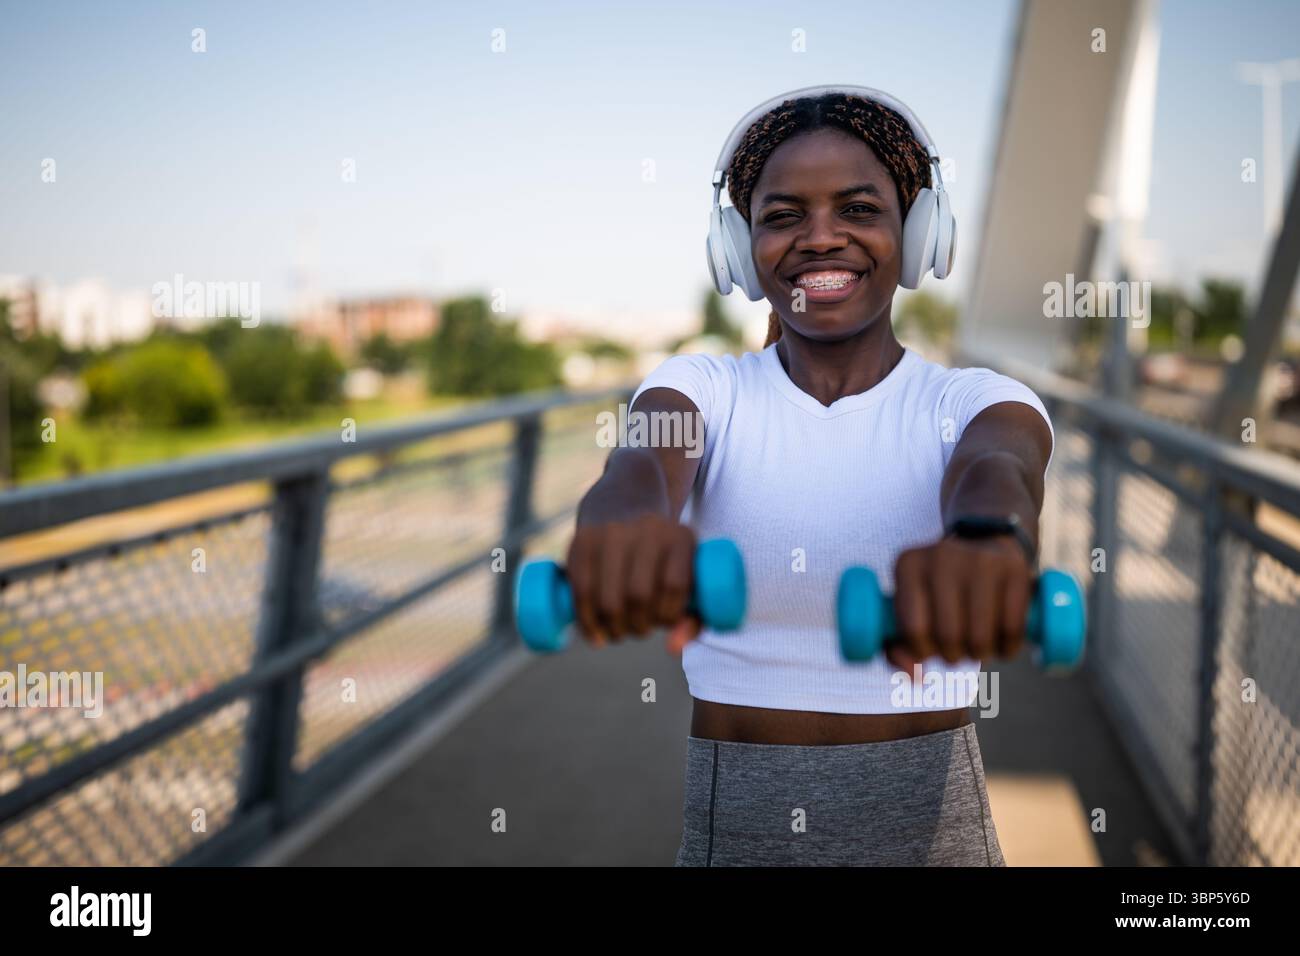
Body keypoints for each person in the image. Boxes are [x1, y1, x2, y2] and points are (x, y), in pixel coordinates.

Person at [565, 87, 1053, 866]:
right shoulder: (706, 387)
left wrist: (988, 537)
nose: (820, 239)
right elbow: (642, 458)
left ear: (920, 231)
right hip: (740, 826)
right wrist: (622, 516)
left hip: (934, 828)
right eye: (783, 215)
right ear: (739, 247)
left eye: (858, 209)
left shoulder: (974, 399)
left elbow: (1000, 467)